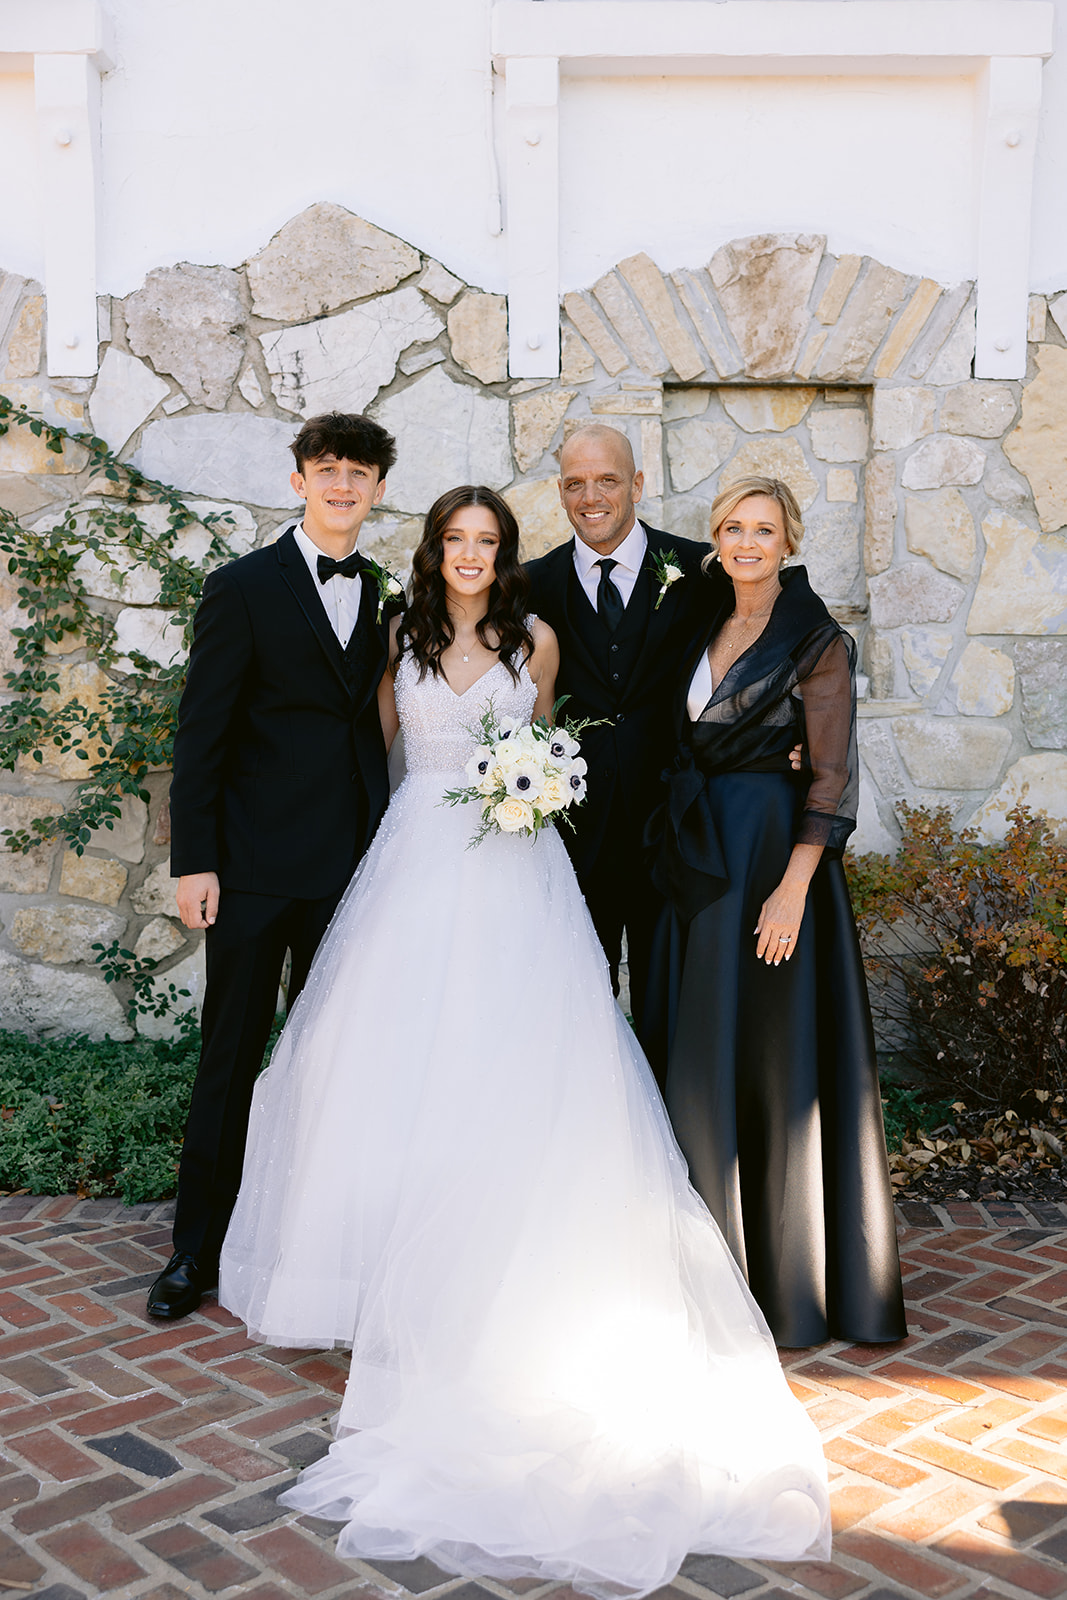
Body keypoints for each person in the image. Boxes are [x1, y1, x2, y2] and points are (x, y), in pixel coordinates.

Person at [219, 484, 831, 1598]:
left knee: (517, 1058)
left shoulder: (535, 637)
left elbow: (545, 738)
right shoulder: (398, 635)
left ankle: (490, 1253)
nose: (469, 554)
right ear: (433, 551)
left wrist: (534, 787)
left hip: (515, 864)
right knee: (386, 1061)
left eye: (487, 541)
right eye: (454, 539)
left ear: (505, 554)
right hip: (414, 863)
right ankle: (374, 1267)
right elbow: (383, 753)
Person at [147, 412, 403, 1321]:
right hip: (253, 871)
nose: (342, 485)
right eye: (326, 469)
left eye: (358, 472)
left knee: (335, 1064)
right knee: (230, 1056)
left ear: (377, 490)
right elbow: (202, 734)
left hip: (350, 873)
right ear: (299, 481)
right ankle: (193, 1250)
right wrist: (196, 862)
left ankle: (310, 1243)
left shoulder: (387, 594)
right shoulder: (241, 586)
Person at [648, 475, 906, 1350]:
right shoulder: (699, 619)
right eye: (731, 527)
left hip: (771, 862)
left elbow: (830, 778)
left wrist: (792, 890)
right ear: (714, 539)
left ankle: (787, 1283)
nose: (746, 542)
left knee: (770, 1056)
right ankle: (708, 1264)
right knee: (701, 1052)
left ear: (788, 540)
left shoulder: (815, 638)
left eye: (762, 529)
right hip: (696, 859)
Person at [524, 424, 711, 1072]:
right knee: (578, 1005)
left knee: (673, 1002)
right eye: (575, 483)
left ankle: (675, 1129)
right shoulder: (532, 584)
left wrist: (789, 743)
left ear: (636, 483)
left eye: (606, 480)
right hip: (575, 834)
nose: (591, 497)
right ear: (560, 492)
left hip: (672, 827)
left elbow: (761, 646)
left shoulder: (699, 570)